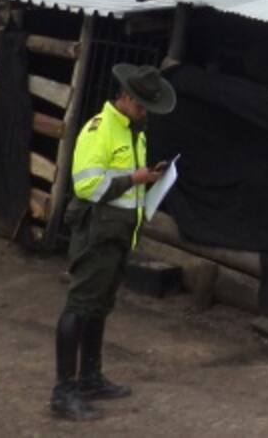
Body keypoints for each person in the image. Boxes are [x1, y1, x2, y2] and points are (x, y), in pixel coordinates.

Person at [49, 64, 176, 421]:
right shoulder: (99, 129)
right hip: (97, 234)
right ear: (126, 97)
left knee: (99, 306)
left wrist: (147, 178)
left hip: (118, 234)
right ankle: (63, 391)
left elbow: (121, 181)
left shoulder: (135, 132)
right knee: (80, 305)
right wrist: (132, 178)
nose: (145, 111)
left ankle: (90, 378)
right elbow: (86, 185)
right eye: (141, 105)